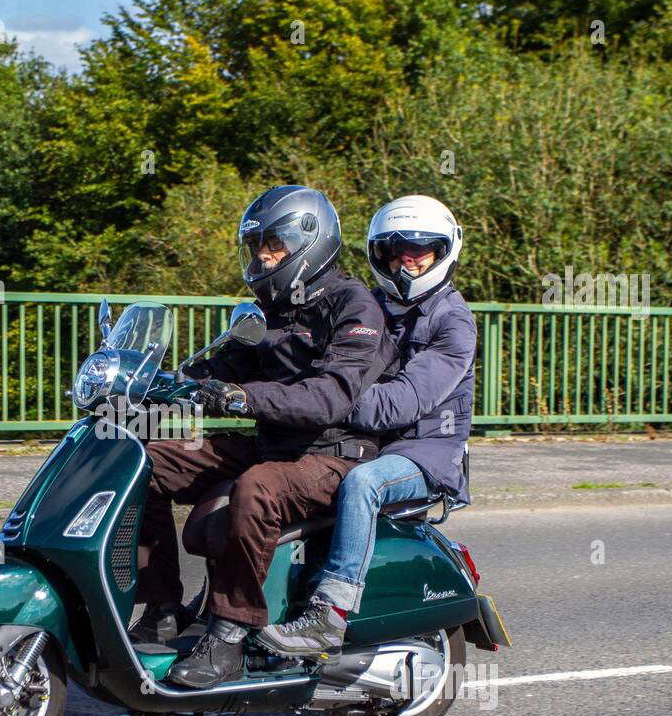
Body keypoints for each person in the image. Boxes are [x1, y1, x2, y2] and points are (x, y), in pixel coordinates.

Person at [132, 185, 394, 689]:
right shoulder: (271, 309)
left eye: (272, 244)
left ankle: (230, 634)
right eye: (255, 246)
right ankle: (162, 604)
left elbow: (329, 397)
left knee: (257, 487)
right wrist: (156, 384)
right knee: (144, 462)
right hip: (275, 444)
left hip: (334, 452)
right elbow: (220, 368)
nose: (262, 256)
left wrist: (242, 398)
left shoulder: (355, 307)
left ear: (308, 241)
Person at [254, 194, 477, 659]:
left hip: (423, 453)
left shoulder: (453, 322)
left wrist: (319, 396)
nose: (406, 262)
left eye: (420, 250)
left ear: (444, 252)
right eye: (394, 251)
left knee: (362, 484)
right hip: (364, 441)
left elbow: (401, 404)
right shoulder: (367, 304)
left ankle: (328, 616)